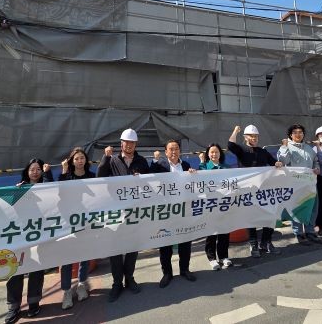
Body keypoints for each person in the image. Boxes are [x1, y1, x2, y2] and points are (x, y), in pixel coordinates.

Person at [97, 128, 150, 302]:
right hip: (116, 212)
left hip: (135, 211)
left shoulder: (142, 161)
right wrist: (105, 158)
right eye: (126, 142)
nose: (129, 145)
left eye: (132, 143)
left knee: (133, 247)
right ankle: (117, 283)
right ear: (121, 144)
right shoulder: (112, 160)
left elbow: (149, 184)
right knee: (116, 249)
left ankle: (130, 279)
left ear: (136, 144)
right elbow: (100, 177)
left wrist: (141, 179)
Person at [4, 158, 53, 324]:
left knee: (37, 268)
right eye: (32, 169)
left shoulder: (47, 186)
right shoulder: (20, 187)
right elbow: (11, 209)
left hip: (40, 233)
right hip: (21, 234)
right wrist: (17, 192)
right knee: (15, 268)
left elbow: (52, 195)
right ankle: (13, 306)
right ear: (27, 171)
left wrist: (47, 174)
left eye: (38, 169)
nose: (35, 172)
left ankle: (33, 302)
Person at [227, 125, 283, 258]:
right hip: (248, 190)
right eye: (251, 136)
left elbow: (273, 162)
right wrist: (235, 131)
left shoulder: (263, 152)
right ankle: (254, 245)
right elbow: (230, 145)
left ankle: (266, 242)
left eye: (256, 136)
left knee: (270, 216)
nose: (254, 138)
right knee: (251, 218)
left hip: (263, 190)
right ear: (245, 137)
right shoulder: (241, 150)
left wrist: (277, 164)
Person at [150, 140, 197, 288]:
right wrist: (155, 160)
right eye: (171, 149)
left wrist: (193, 174)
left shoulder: (186, 165)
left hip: (183, 210)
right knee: (165, 244)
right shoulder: (160, 165)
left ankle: (184, 269)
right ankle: (167, 273)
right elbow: (149, 176)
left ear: (180, 151)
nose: (174, 151)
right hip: (166, 211)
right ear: (166, 152)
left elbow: (192, 185)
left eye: (176, 148)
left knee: (185, 241)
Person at [58, 147, 95, 309]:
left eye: (82, 158)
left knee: (84, 254)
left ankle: (81, 284)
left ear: (86, 160)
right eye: (77, 158)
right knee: (67, 258)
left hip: (86, 221)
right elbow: (60, 194)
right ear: (72, 161)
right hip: (68, 222)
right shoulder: (67, 176)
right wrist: (64, 171)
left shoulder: (91, 176)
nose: (80, 161)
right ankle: (66, 291)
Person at [277, 124, 322, 246]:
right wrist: (284, 146)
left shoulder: (308, 148)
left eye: (300, 132)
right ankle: (299, 233)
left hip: (310, 183)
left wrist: (317, 168)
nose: (298, 134)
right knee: (297, 208)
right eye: (295, 132)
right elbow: (283, 161)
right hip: (295, 185)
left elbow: (315, 161)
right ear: (290, 135)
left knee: (312, 207)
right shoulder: (286, 147)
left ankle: (310, 231)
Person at [198, 143, 232, 270]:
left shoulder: (226, 167)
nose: (214, 154)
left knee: (224, 231)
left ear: (220, 153)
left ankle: (223, 256)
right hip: (210, 205)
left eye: (216, 152)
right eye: (211, 152)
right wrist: (201, 162)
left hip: (224, 204)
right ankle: (212, 258)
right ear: (208, 154)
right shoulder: (203, 167)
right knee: (211, 232)